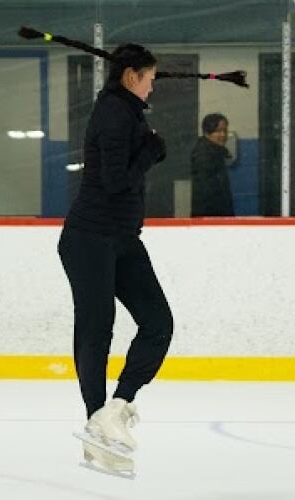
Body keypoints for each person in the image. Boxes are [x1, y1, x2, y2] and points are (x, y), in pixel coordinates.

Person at [57, 43, 173, 474]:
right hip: (89, 239)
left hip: (122, 238)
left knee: (158, 322)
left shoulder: (128, 112)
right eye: (149, 79)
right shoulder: (112, 114)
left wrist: (147, 145)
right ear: (131, 77)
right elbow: (112, 181)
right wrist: (151, 151)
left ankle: (115, 408)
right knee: (96, 329)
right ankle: (94, 421)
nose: (152, 88)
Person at [190, 113, 234, 216]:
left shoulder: (216, 152)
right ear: (207, 132)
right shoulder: (204, 155)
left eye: (225, 131)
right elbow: (208, 193)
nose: (223, 135)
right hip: (210, 217)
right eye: (218, 131)